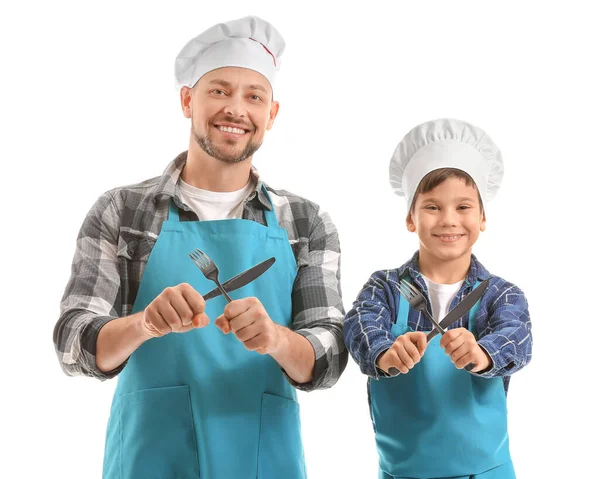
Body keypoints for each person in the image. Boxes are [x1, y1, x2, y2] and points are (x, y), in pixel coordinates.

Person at [53, 15, 347, 479]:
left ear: (271, 114)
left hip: (262, 454)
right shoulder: (123, 212)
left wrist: (275, 338)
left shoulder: (306, 223)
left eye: (254, 96)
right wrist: (143, 324)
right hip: (151, 454)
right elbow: (73, 343)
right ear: (188, 100)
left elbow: (329, 355)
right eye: (219, 90)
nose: (236, 108)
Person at [343, 119, 532, 479]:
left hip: (487, 474)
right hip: (402, 473)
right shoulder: (384, 287)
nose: (449, 220)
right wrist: (386, 353)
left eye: (463, 207)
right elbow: (359, 325)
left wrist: (481, 353)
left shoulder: (501, 294)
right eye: (432, 207)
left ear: (482, 217)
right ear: (411, 218)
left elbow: (516, 340)